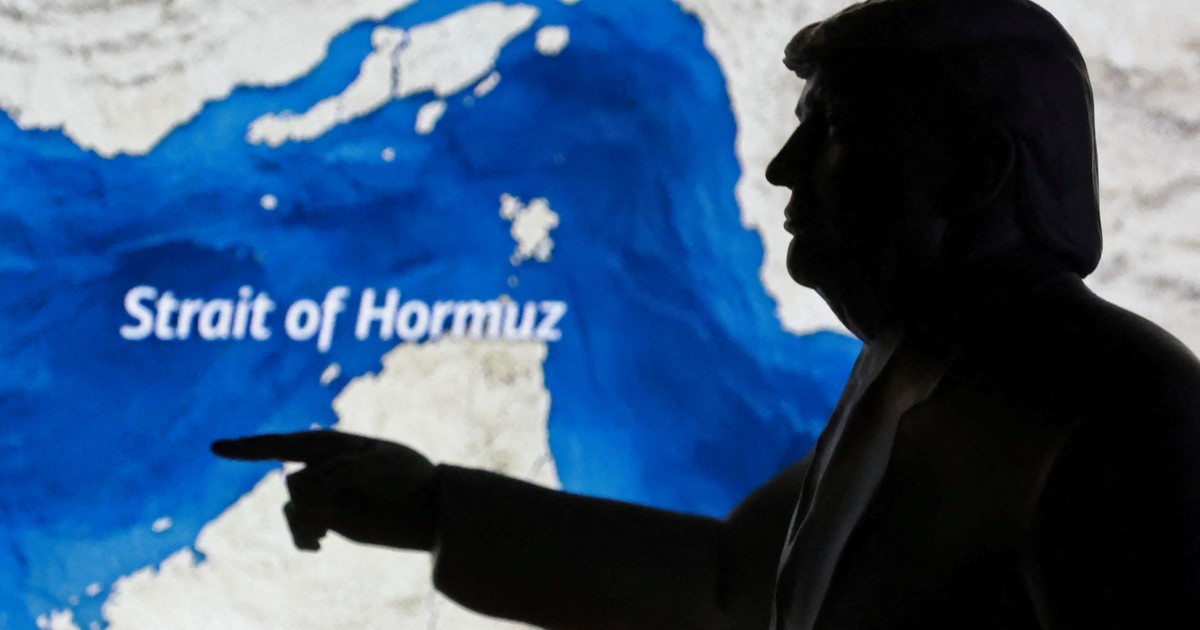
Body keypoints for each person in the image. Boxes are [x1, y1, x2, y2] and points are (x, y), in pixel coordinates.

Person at [213, 0, 1200, 627]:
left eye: (836, 132)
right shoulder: (912, 369)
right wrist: (434, 509)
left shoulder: (1123, 415)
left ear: (978, 171)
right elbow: (730, 583)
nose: (781, 169)